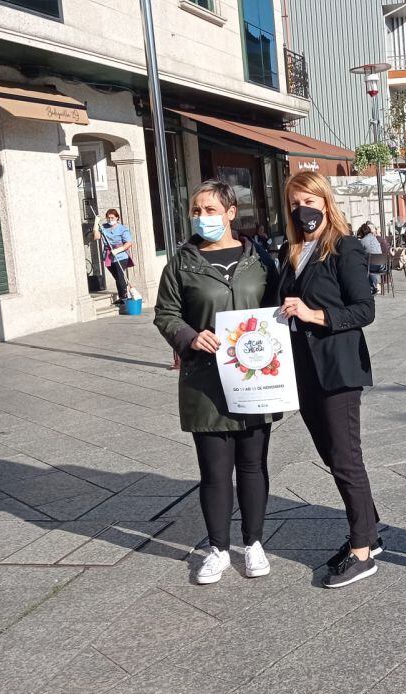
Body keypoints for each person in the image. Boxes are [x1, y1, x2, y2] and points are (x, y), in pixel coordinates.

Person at [153, 180, 279, 585]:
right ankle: (218, 549)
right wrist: (190, 337)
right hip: (205, 382)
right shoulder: (182, 263)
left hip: (254, 380)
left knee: (253, 466)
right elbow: (166, 313)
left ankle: (254, 543)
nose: (201, 216)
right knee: (214, 471)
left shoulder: (258, 259)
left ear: (229, 213)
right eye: (196, 209)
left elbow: (276, 307)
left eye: (209, 209)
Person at [277, 171, 383, 589]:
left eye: (309, 199)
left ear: (324, 201)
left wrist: (315, 315)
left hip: (338, 368)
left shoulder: (345, 247)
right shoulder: (292, 251)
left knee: (344, 456)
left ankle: (362, 551)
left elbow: (364, 310)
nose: (302, 207)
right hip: (302, 370)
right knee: (330, 454)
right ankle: (369, 529)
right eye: (294, 201)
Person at [98, 208, 134, 304]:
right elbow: (96, 236)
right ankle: (123, 296)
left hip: (121, 256)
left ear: (117, 217)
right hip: (109, 256)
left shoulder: (122, 229)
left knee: (120, 276)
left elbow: (129, 243)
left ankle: (124, 297)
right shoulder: (103, 227)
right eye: (108, 218)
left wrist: (118, 250)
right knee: (117, 277)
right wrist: (95, 224)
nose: (110, 219)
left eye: (112, 217)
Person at [357, 222, 387, 294]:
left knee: (362, 267)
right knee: (368, 265)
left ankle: (373, 286)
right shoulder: (375, 239)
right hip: (382, 265)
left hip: (372, 266)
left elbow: (359, 252)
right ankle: (373, 286)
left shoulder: (362, 241)